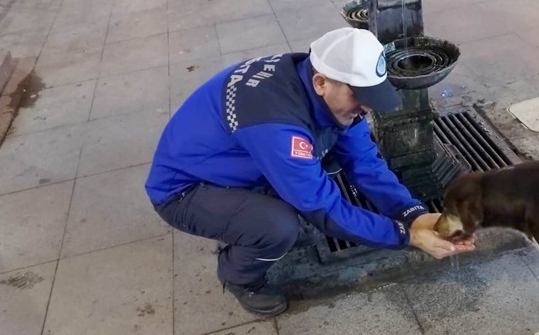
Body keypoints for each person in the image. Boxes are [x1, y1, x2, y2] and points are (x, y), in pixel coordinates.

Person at [145, 27, 475, 316]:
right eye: (359, 96)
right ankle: (239, 276)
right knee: (276, 227)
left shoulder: (312, 77)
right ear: (321, 83)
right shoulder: (275, 122)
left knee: (330, 155)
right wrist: (405, 236)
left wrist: (412, 214)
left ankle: (251, 210)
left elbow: (365, 163)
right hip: (185, 190)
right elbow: (323, 207)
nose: (367, 107)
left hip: (239, 164)